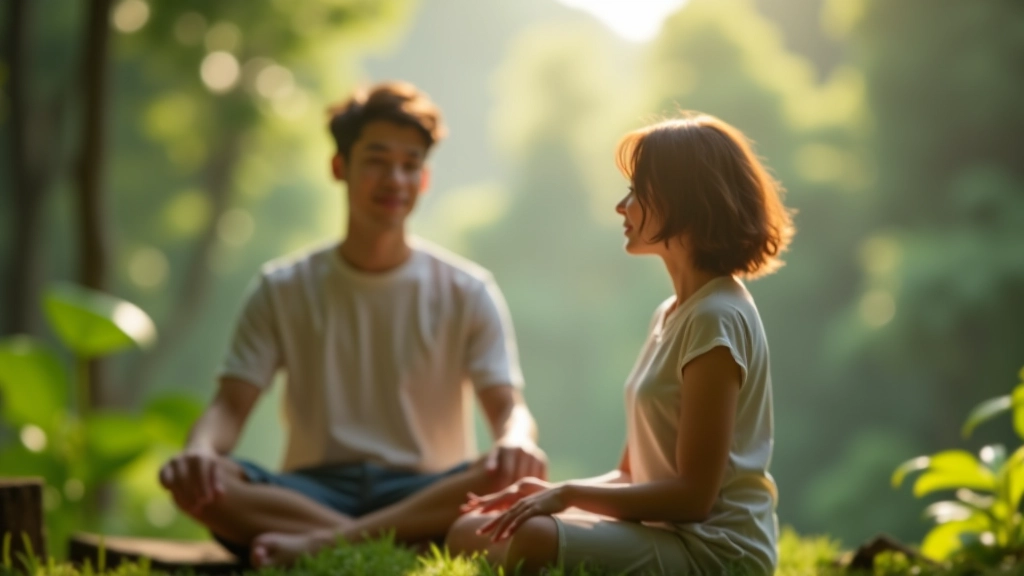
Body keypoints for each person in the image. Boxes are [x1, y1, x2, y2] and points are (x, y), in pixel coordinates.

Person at [157, 81, 547, 568]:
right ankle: (398, 540)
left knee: (509, 476)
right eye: (378, 161)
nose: (395, 179)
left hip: (427, 487)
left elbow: (509, 407)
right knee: (200, 483)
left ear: (424, 180)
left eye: (410, 165)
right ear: (340, 167)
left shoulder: (468, 289)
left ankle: (321, 542)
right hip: (313, 489)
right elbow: (230, 407)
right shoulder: (282, 286)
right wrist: (198, 450)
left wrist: (516, 439)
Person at [446, 113, 795, 575]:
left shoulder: (717, 318)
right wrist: (543, 492)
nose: (621, 206)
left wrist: (567, 497)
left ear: (682, 200)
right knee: (470, 529)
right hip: (661, 531)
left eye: (637, 191)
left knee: (531, 538)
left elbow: (693, 497)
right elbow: (632, 474)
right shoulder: (672, 312)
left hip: (714, 553)